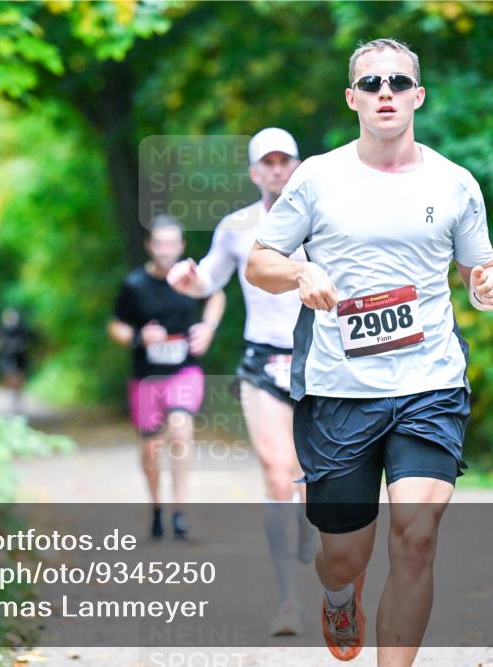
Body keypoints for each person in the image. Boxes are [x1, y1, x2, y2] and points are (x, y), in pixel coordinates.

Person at [246, 38, 493, 665]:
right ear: (352, 99)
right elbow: (261, 261)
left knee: (416, 539)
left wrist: (489, 282)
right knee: (344, 554)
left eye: (397, 82)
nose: (384, 92)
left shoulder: (454, 183)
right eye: (371, 84)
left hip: (430, 383)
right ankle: (340, 595)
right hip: (340, 390)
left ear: (418, 95)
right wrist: (301, 276)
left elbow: (480, 264)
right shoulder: (317, 177)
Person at [167, 127, 319, 635]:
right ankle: (288, 603)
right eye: (267, 162)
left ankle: (313, 539)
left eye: (285, 160)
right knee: (279, 473)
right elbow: (209, 277)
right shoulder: (236, 226)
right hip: (262, 361)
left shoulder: (323, 220)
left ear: (298, 166)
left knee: (312, 477)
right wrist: (189, 281)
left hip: (320, 359)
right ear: (255, 172)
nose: (277, 169)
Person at [109, 214, 226, 539]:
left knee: (180, 425)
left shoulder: (191, 279)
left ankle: (180, 511)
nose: (166, 250)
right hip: (146, 376)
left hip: (184, 371)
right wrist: (138, 337)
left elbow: (217, 295)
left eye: (172, 244)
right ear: (149, 246)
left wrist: (208, 328)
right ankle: (157, 508)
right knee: (150, 448)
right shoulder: (134, 285)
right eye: (160, 244)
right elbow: (115, 326)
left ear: (182, 246)